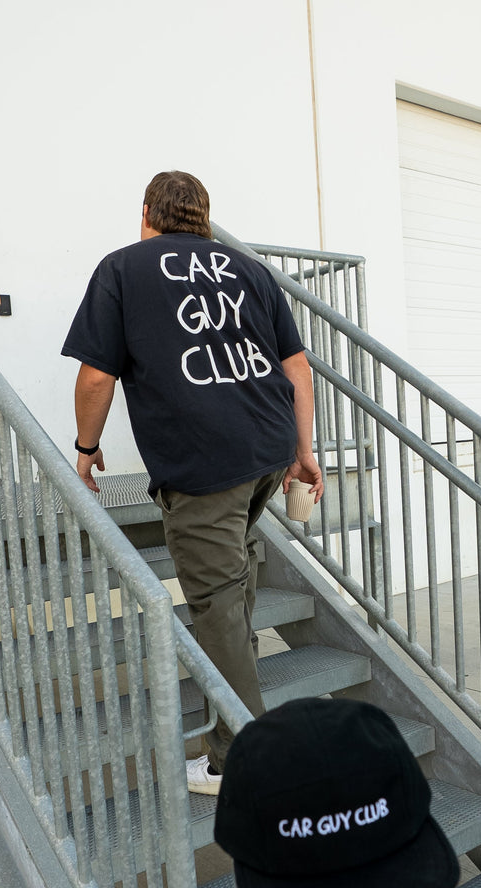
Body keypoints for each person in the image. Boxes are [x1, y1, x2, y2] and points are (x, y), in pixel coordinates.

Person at [61, 170, 323, 796]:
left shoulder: (122, 269)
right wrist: (303, 451)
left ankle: (240, 764)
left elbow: (96, 377)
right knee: (234, 582)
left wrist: (86, 450)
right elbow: (297, 369)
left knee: (217, 609)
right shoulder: (250, 271)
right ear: (203, 217)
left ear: (146, 212)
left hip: (205, 465)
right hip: (266, 452)